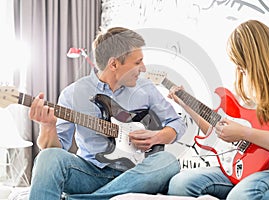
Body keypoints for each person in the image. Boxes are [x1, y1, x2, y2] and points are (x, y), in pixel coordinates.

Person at [28, 27, 187, 200]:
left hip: (135, 174)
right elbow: (57, 150)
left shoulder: (146, 89)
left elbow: (177, 123)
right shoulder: (73, 93)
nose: (143, 68)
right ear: (113, 64)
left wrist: (156, 137)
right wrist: (48, 126)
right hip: (89, 174)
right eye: (137, 62)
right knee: (48, 157)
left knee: (168, 161)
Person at [167, 20, 269, 199]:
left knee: (240, 195)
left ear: (252, 57)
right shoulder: (243, 90)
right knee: (180, 184)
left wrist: (244, 132)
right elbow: (218, 132)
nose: (239, 70)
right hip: (241, 167)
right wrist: (186, 104)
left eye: (241, 63)